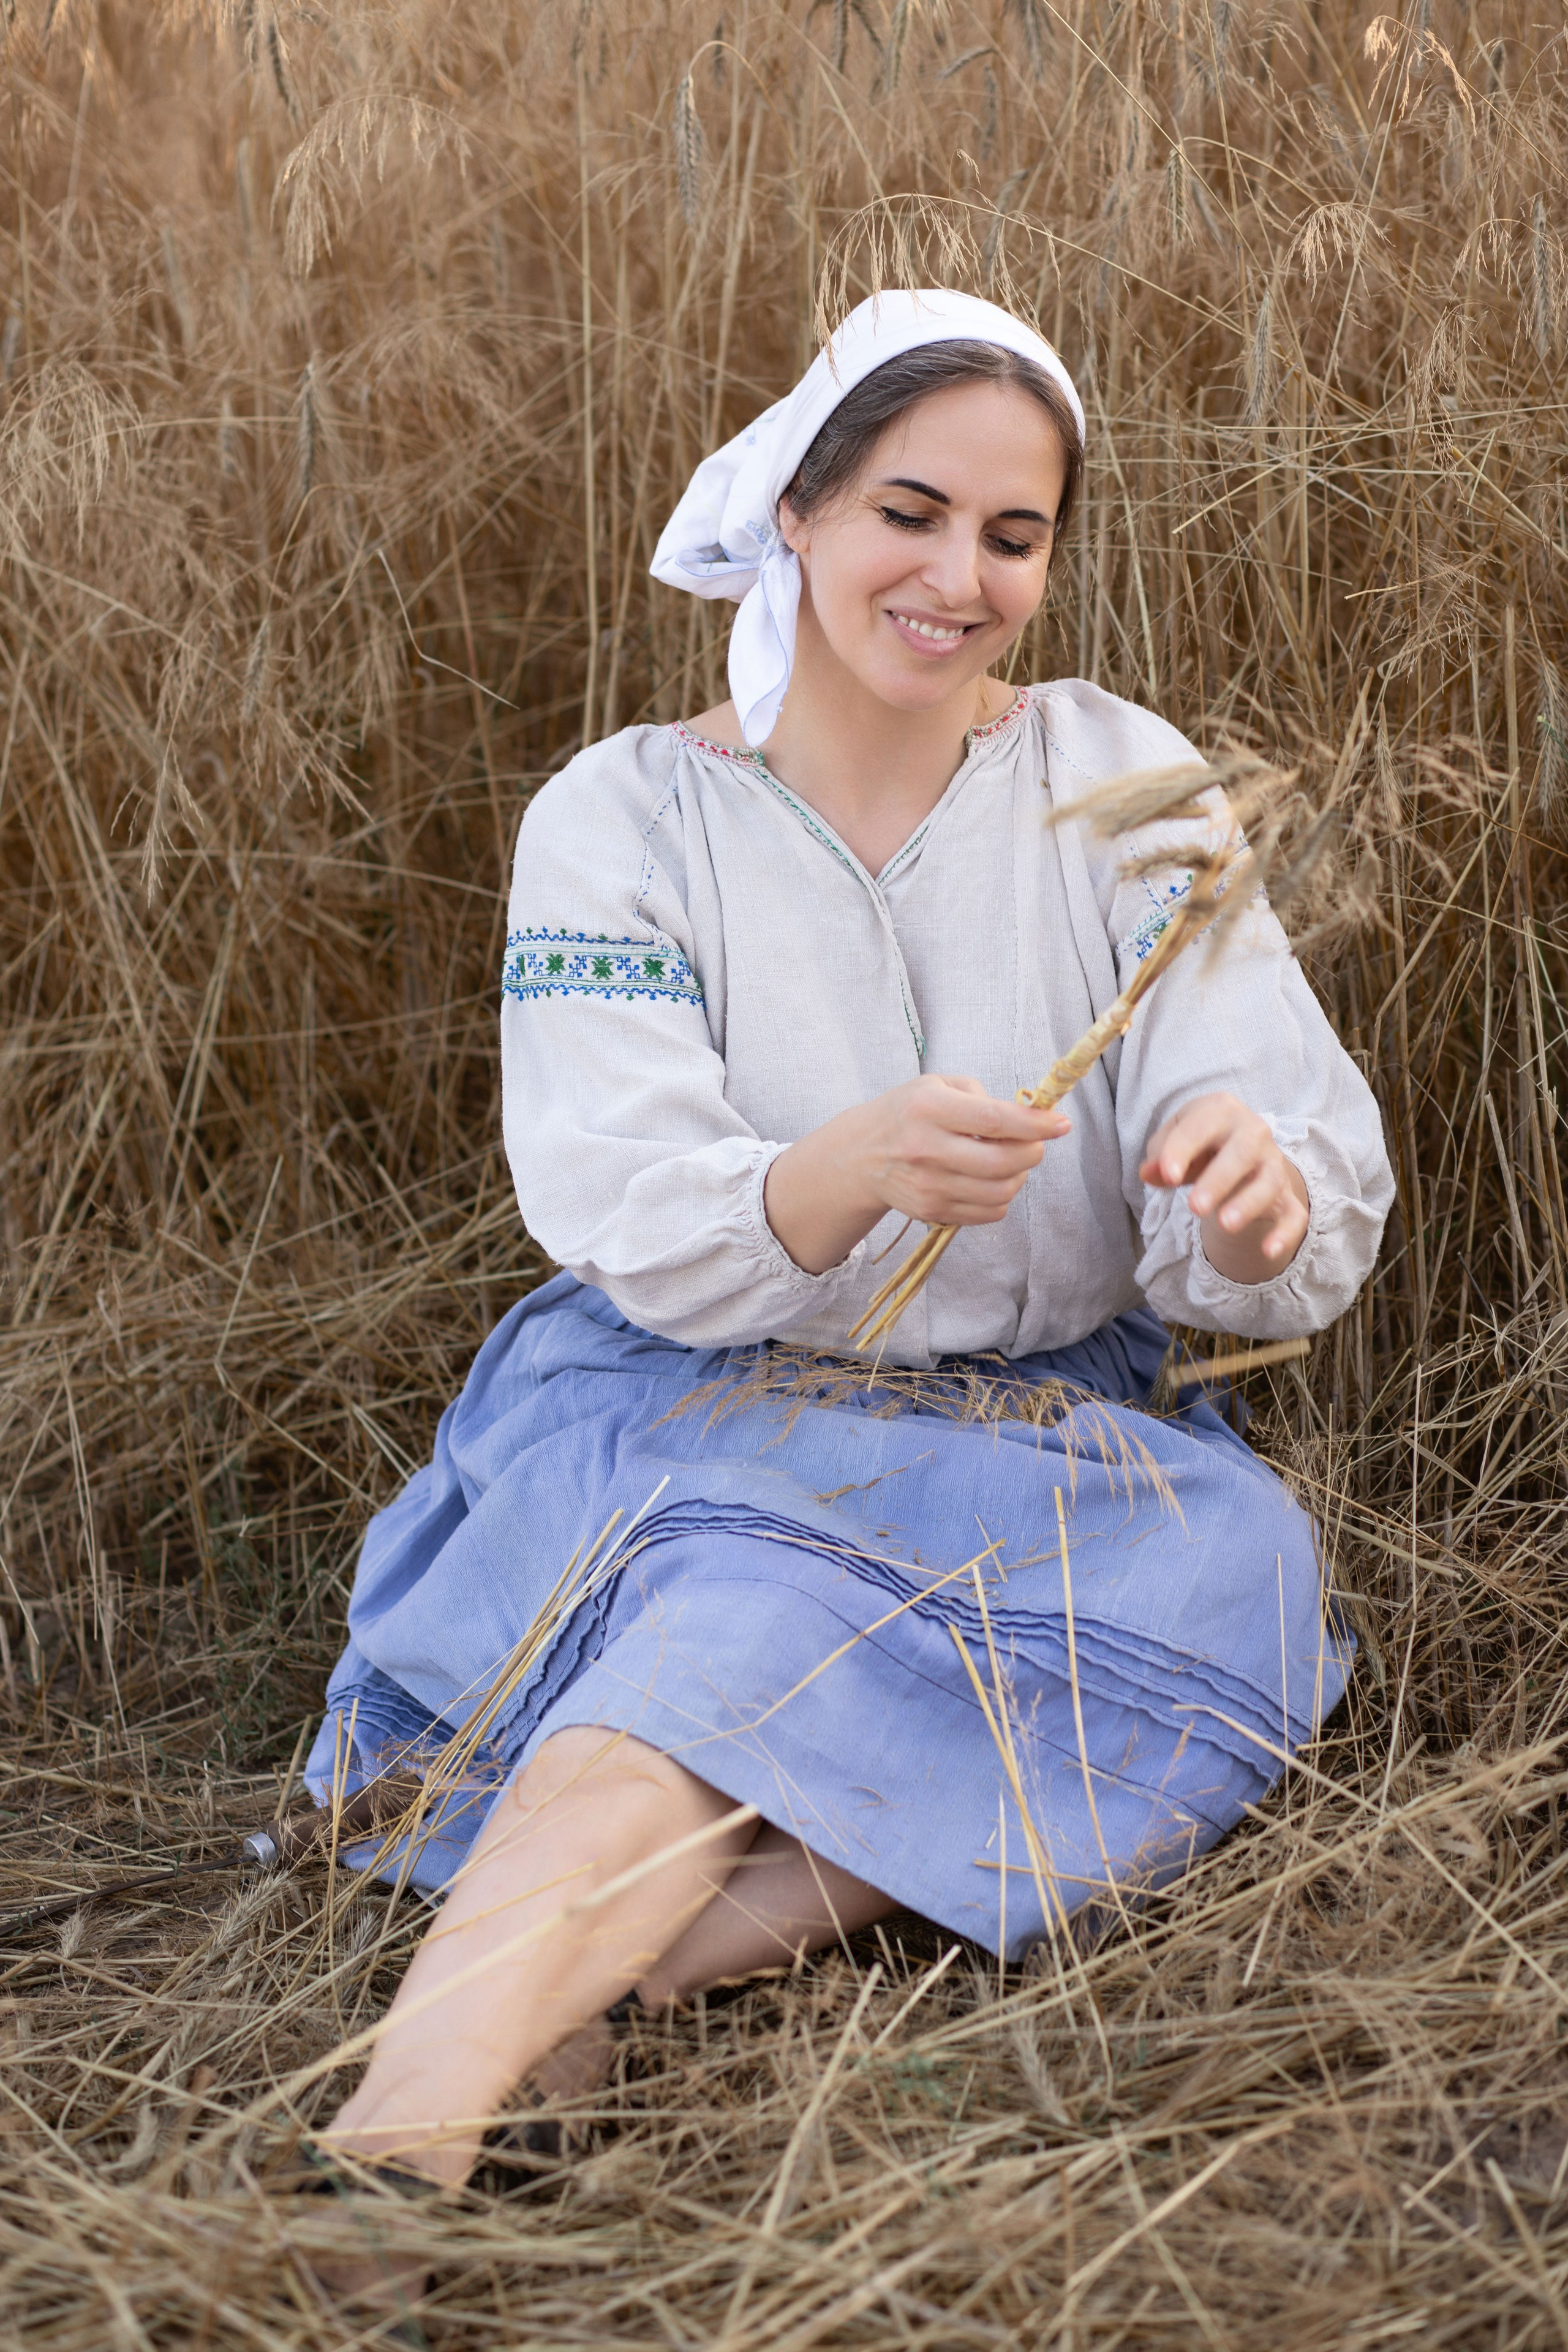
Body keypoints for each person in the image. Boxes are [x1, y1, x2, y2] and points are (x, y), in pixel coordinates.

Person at [298, 288, 1392, 2207]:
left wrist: (1250, 1199)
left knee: (1247, 1578)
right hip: (700, 1398)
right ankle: (397, 2139)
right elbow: (625, 1195)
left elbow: (1260, 1110)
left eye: (1013, 535)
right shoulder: (629, 816)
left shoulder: (1120, 778)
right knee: (733, 1619)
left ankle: (625, 1982)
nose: (959, 577)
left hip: (1035, 1428)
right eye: (910, 511)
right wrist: (845, 1167)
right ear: (790, 509)